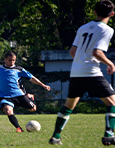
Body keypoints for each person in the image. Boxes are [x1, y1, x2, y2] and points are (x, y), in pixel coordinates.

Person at [49, 0, 115, 145]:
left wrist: (81, 61)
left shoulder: (83, 27)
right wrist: (110, 63)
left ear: (95, 12)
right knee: (112, 102)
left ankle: (56, 137)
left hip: (76, 71)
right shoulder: (107, 30)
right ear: (112, 14)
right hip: (91, 71)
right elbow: (97, 52)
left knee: (69, 105)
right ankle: (109, 134)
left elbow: (73, 51)